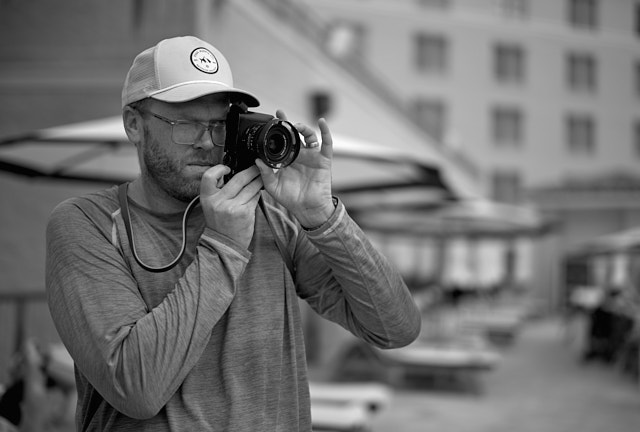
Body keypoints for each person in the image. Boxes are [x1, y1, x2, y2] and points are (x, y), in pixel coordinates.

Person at [45, 35, 421, 431]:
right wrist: (223, 246)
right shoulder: (87, 223)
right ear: (134, 126)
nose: (207, 143)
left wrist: (324, 216)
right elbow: (136, 388)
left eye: (219, 125)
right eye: (185, 124)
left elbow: (396, 328)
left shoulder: (272, 214)